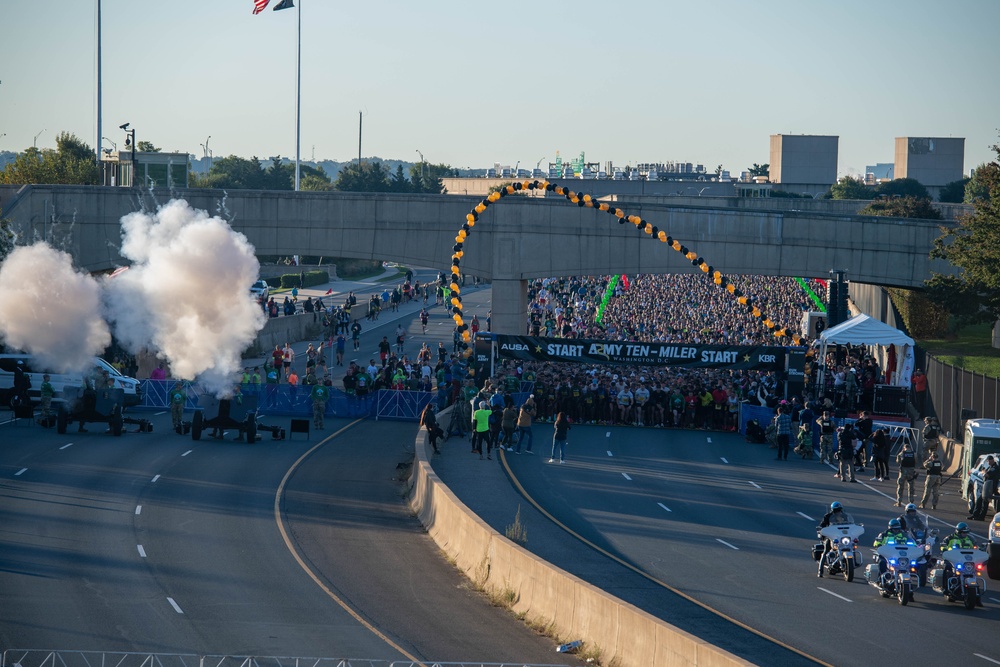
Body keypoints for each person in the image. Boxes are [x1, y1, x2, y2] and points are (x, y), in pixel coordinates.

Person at [817, 501, 854, 577]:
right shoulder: (827, 516)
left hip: (842, 536)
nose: (838, 512)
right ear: (832, 510)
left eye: (839, 510)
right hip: (831, 537)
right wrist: (822, 529)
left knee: (852, 546)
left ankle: (853, 563)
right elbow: (822, 525)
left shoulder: (845, 516)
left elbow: (850, 524)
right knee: (825, 550)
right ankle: (820, 571)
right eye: (836, 510)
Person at [895, 441, 918, 506]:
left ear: (904, 448)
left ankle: (899, 501)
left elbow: (898, 461)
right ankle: (911, 501)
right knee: (911, 487)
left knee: (900, 487)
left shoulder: (902, 454)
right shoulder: (914, 454)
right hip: (911, 471)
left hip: (903, 472)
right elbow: (915, 461)